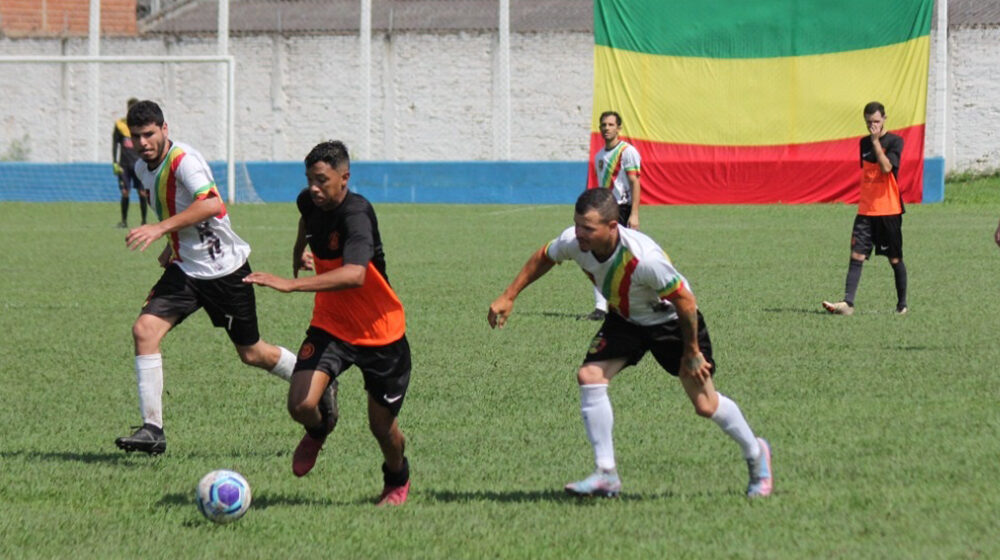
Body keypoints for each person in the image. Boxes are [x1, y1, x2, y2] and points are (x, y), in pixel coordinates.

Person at [488, 188, 773, 499]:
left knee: (706, 405)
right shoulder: (574, 242)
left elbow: (686, 302)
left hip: (671, 324)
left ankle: (757, 455)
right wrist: (509, 295)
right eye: (577, 224)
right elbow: (544, 256)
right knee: (590, 376)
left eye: (588, 228)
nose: (579, 234)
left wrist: (691, 351)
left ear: (612, 227)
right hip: (625, 320)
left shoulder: (644, 260)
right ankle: (606, 474)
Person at [115, 100, 303, 455]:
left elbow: (212, 204)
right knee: (144, 331)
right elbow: (177, 208)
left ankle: (312, 379)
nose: (143, 143)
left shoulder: (185, 161)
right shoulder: (142, 168)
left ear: (164, 129)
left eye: (150, 134)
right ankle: (153, 429)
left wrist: (160, 229)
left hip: (224, 272)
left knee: (251, 353)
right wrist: (173, 244)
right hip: (185, 269)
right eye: (137, 136)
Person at [243, 140, 412, 507]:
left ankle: (397, 478)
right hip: (332, 324)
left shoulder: (357, 214)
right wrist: (297, 253)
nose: (313, 189)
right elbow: (306, 223)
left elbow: (354, 275)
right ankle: (320, 428)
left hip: (379, 332)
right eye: (309, 180)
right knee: (301, 405)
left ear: (344, 177)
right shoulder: (309, 201)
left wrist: (291, 284)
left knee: (381, 429)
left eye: (321, 180)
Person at [823, 101, 908, 316]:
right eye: (869, 123)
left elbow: (887, 168)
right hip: (866, 211)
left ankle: (902, 305)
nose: (873, 126)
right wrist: (870, 141)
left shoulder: (895, 141)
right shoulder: (863, 143)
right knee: (857, 256)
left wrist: (876, 142)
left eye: (876, 122)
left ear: (885, 119)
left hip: (889, 211)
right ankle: (847, 304)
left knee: (895, 259)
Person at [584, 110, 641, 321]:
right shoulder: (599, 156)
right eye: (603, 125)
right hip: (605, 210)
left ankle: (632, 303)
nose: (606, 128)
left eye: (610, 125)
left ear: (619, 128)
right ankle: (601, 307)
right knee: (598, 254)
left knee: (626, 258)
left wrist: (634, 214)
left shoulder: (627, 152)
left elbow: (635, 182)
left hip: (623, 210)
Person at [112, 98, 148, 228]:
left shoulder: (143, 126)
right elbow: (115, 144)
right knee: (125, 192)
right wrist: (114, 162)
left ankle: (144, 221)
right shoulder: (120, 125)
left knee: (143, 193)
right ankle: (124, 221)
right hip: (124, 166)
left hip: (140, 164)